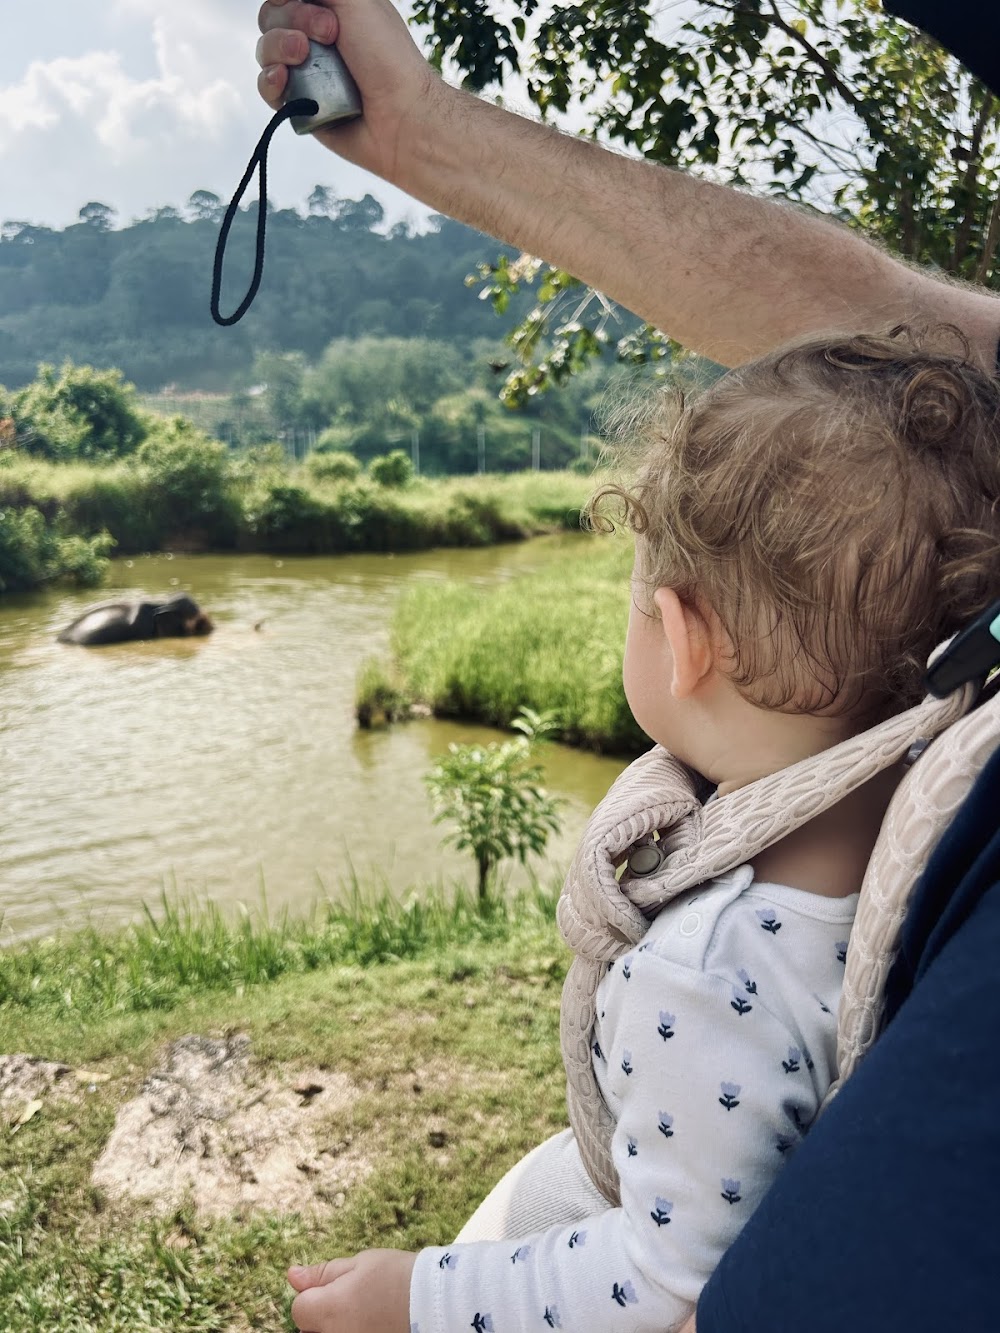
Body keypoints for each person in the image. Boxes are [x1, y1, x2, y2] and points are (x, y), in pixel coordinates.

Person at [253, 4, 1000, 1330]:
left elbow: (660, 1282)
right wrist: (422, 128)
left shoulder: (703, 977)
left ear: (688, 634)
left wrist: (407, 1296)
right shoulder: (915, 784)